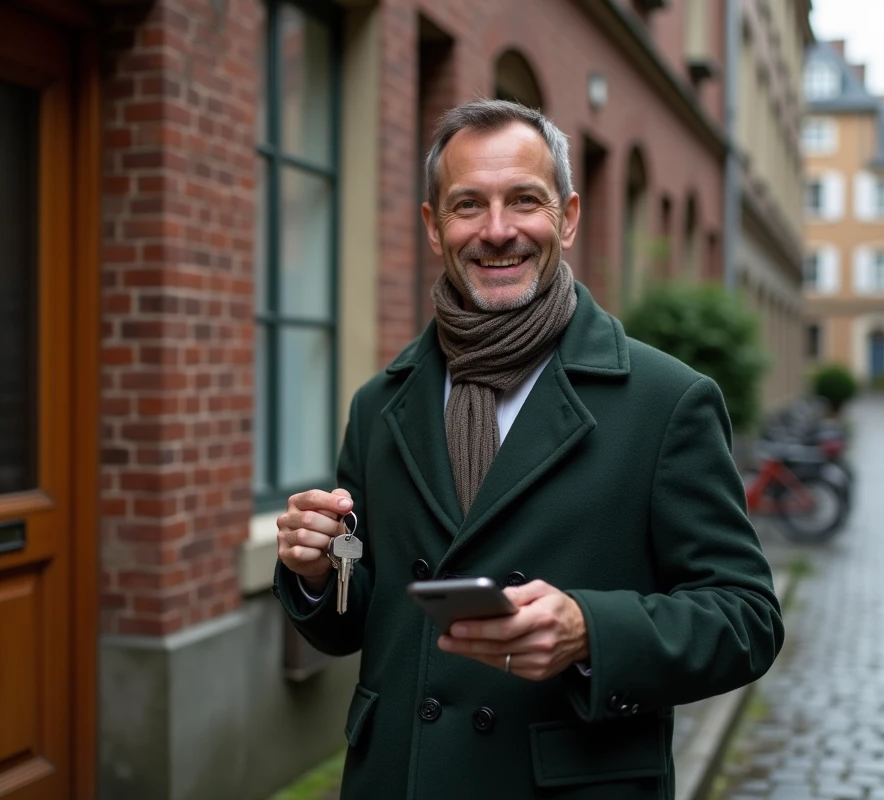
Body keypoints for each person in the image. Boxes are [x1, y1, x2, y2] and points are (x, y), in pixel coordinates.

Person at [273, 99, 783, 800]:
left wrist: (591, 632)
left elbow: (747, 617)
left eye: (524, 200)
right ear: (433, 227)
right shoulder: (379, 405)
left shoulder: (668, 402)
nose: (498, 230)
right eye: (467, 206)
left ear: (568, 217)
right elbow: (357, 619)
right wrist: (315, 564)